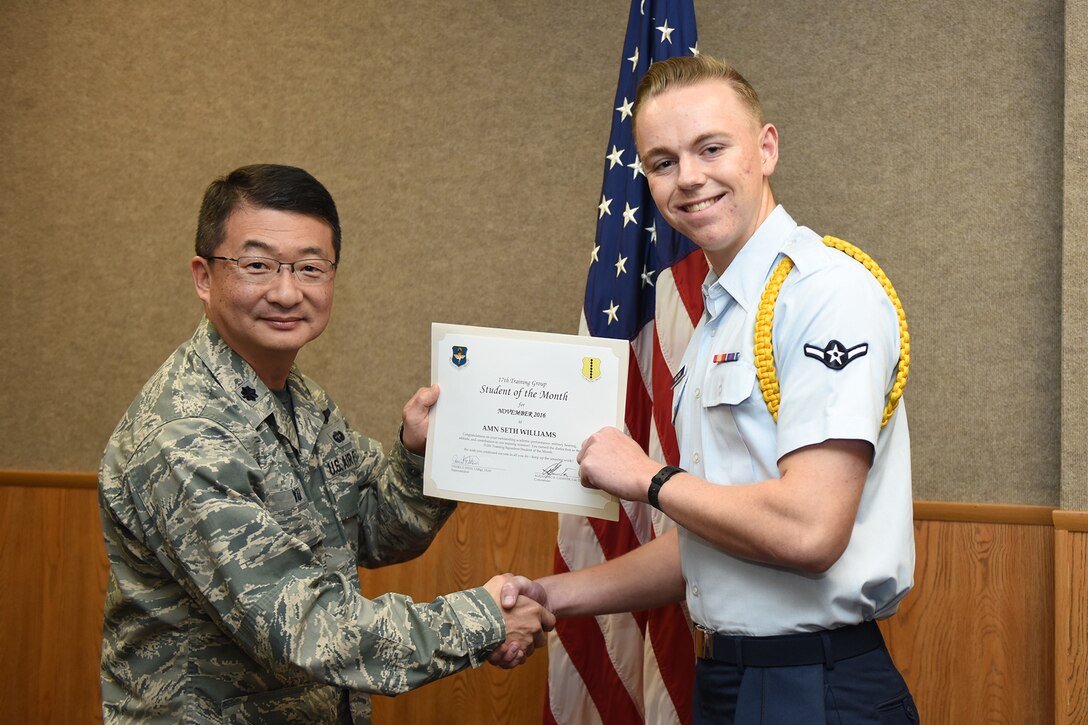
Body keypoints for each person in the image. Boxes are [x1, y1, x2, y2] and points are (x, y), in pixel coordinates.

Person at [501, 55, 918, 723]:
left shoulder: (821, 291)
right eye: (662, 162)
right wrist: (551, 595)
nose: (688, 177)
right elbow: (709, 539)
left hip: (815, 687)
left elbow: (811, 529)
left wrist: (650, 478)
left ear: (766, 148)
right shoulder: (721, 314)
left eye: (711, 148)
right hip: (730, 681)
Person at [98, 164, 553, 724]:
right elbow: (303, 626)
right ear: (203, 276)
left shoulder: (299, 399)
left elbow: (372, 529)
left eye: (311, 267)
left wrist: (419, 454)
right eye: (257, 265)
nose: (287, 291)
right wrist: (483, 620)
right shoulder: (186, 434)